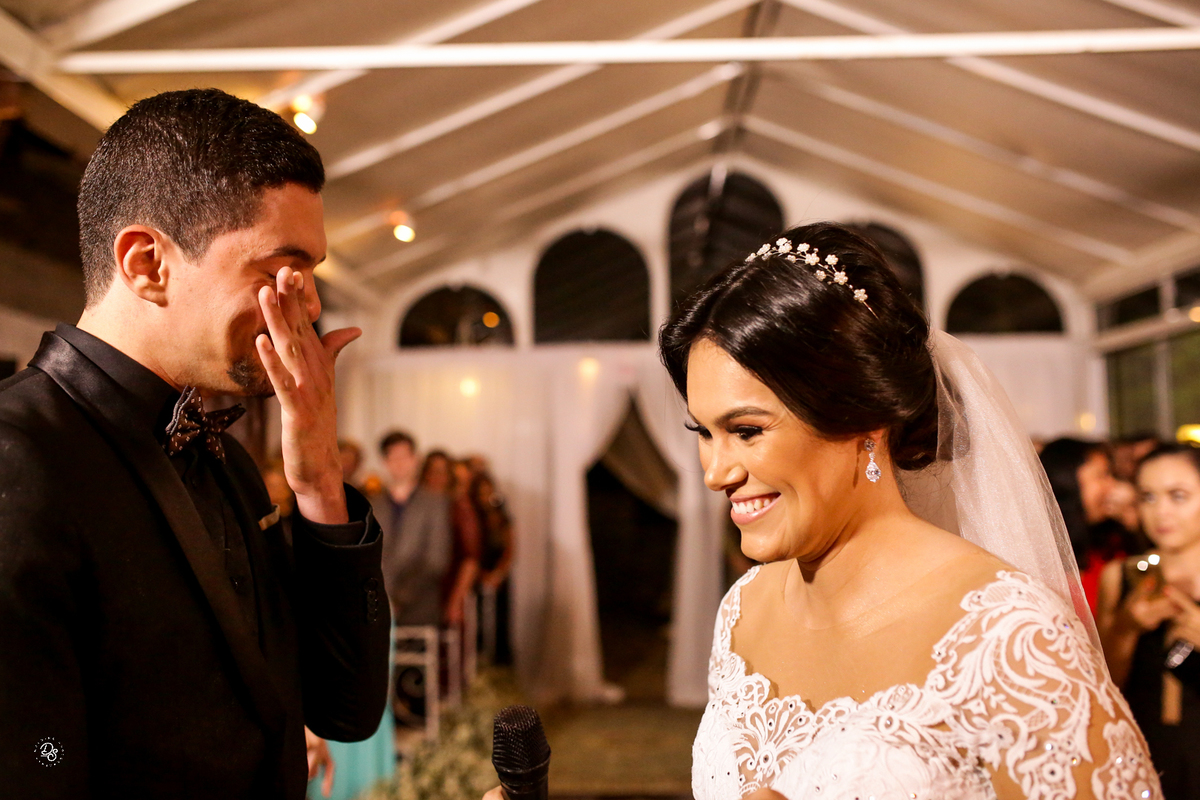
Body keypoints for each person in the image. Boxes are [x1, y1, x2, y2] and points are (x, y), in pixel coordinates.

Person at [663, 223, 1157, 799]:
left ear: (862, 418)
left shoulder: (1010, 637)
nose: (716, 472)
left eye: (746, 431)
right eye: (705, 433)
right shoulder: (741, 612)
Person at [0, 89, 389, 798]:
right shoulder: (17, 458)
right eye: (280, 272)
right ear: (147, 263)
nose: (309, 307)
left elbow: (347, 709)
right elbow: (36, 760)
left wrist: (320, 485)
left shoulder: (228, 463)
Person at [1097, 443, 1200, 798]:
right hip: (1146, 754)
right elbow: (1103, 688)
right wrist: (1126, 628)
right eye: (1148, 498)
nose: (1162, 513)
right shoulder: (1122, 576)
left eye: (1178, 496)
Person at [1041, 438, 1120, 614]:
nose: (1112, 486)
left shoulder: (1112, 544)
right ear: (1067, 481)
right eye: (1102, 475)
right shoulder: (1039, 554)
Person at [470, 470, 515, 664]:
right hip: (476, 574)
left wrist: (498, 574)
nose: (485, 497)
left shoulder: (502, 517)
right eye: (481, 493)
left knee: (500, 618)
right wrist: (480, 574)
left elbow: (510, 548)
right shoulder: (472, 518)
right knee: (477, 618)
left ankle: (500, 659)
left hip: (498, 576)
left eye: (488, 491)